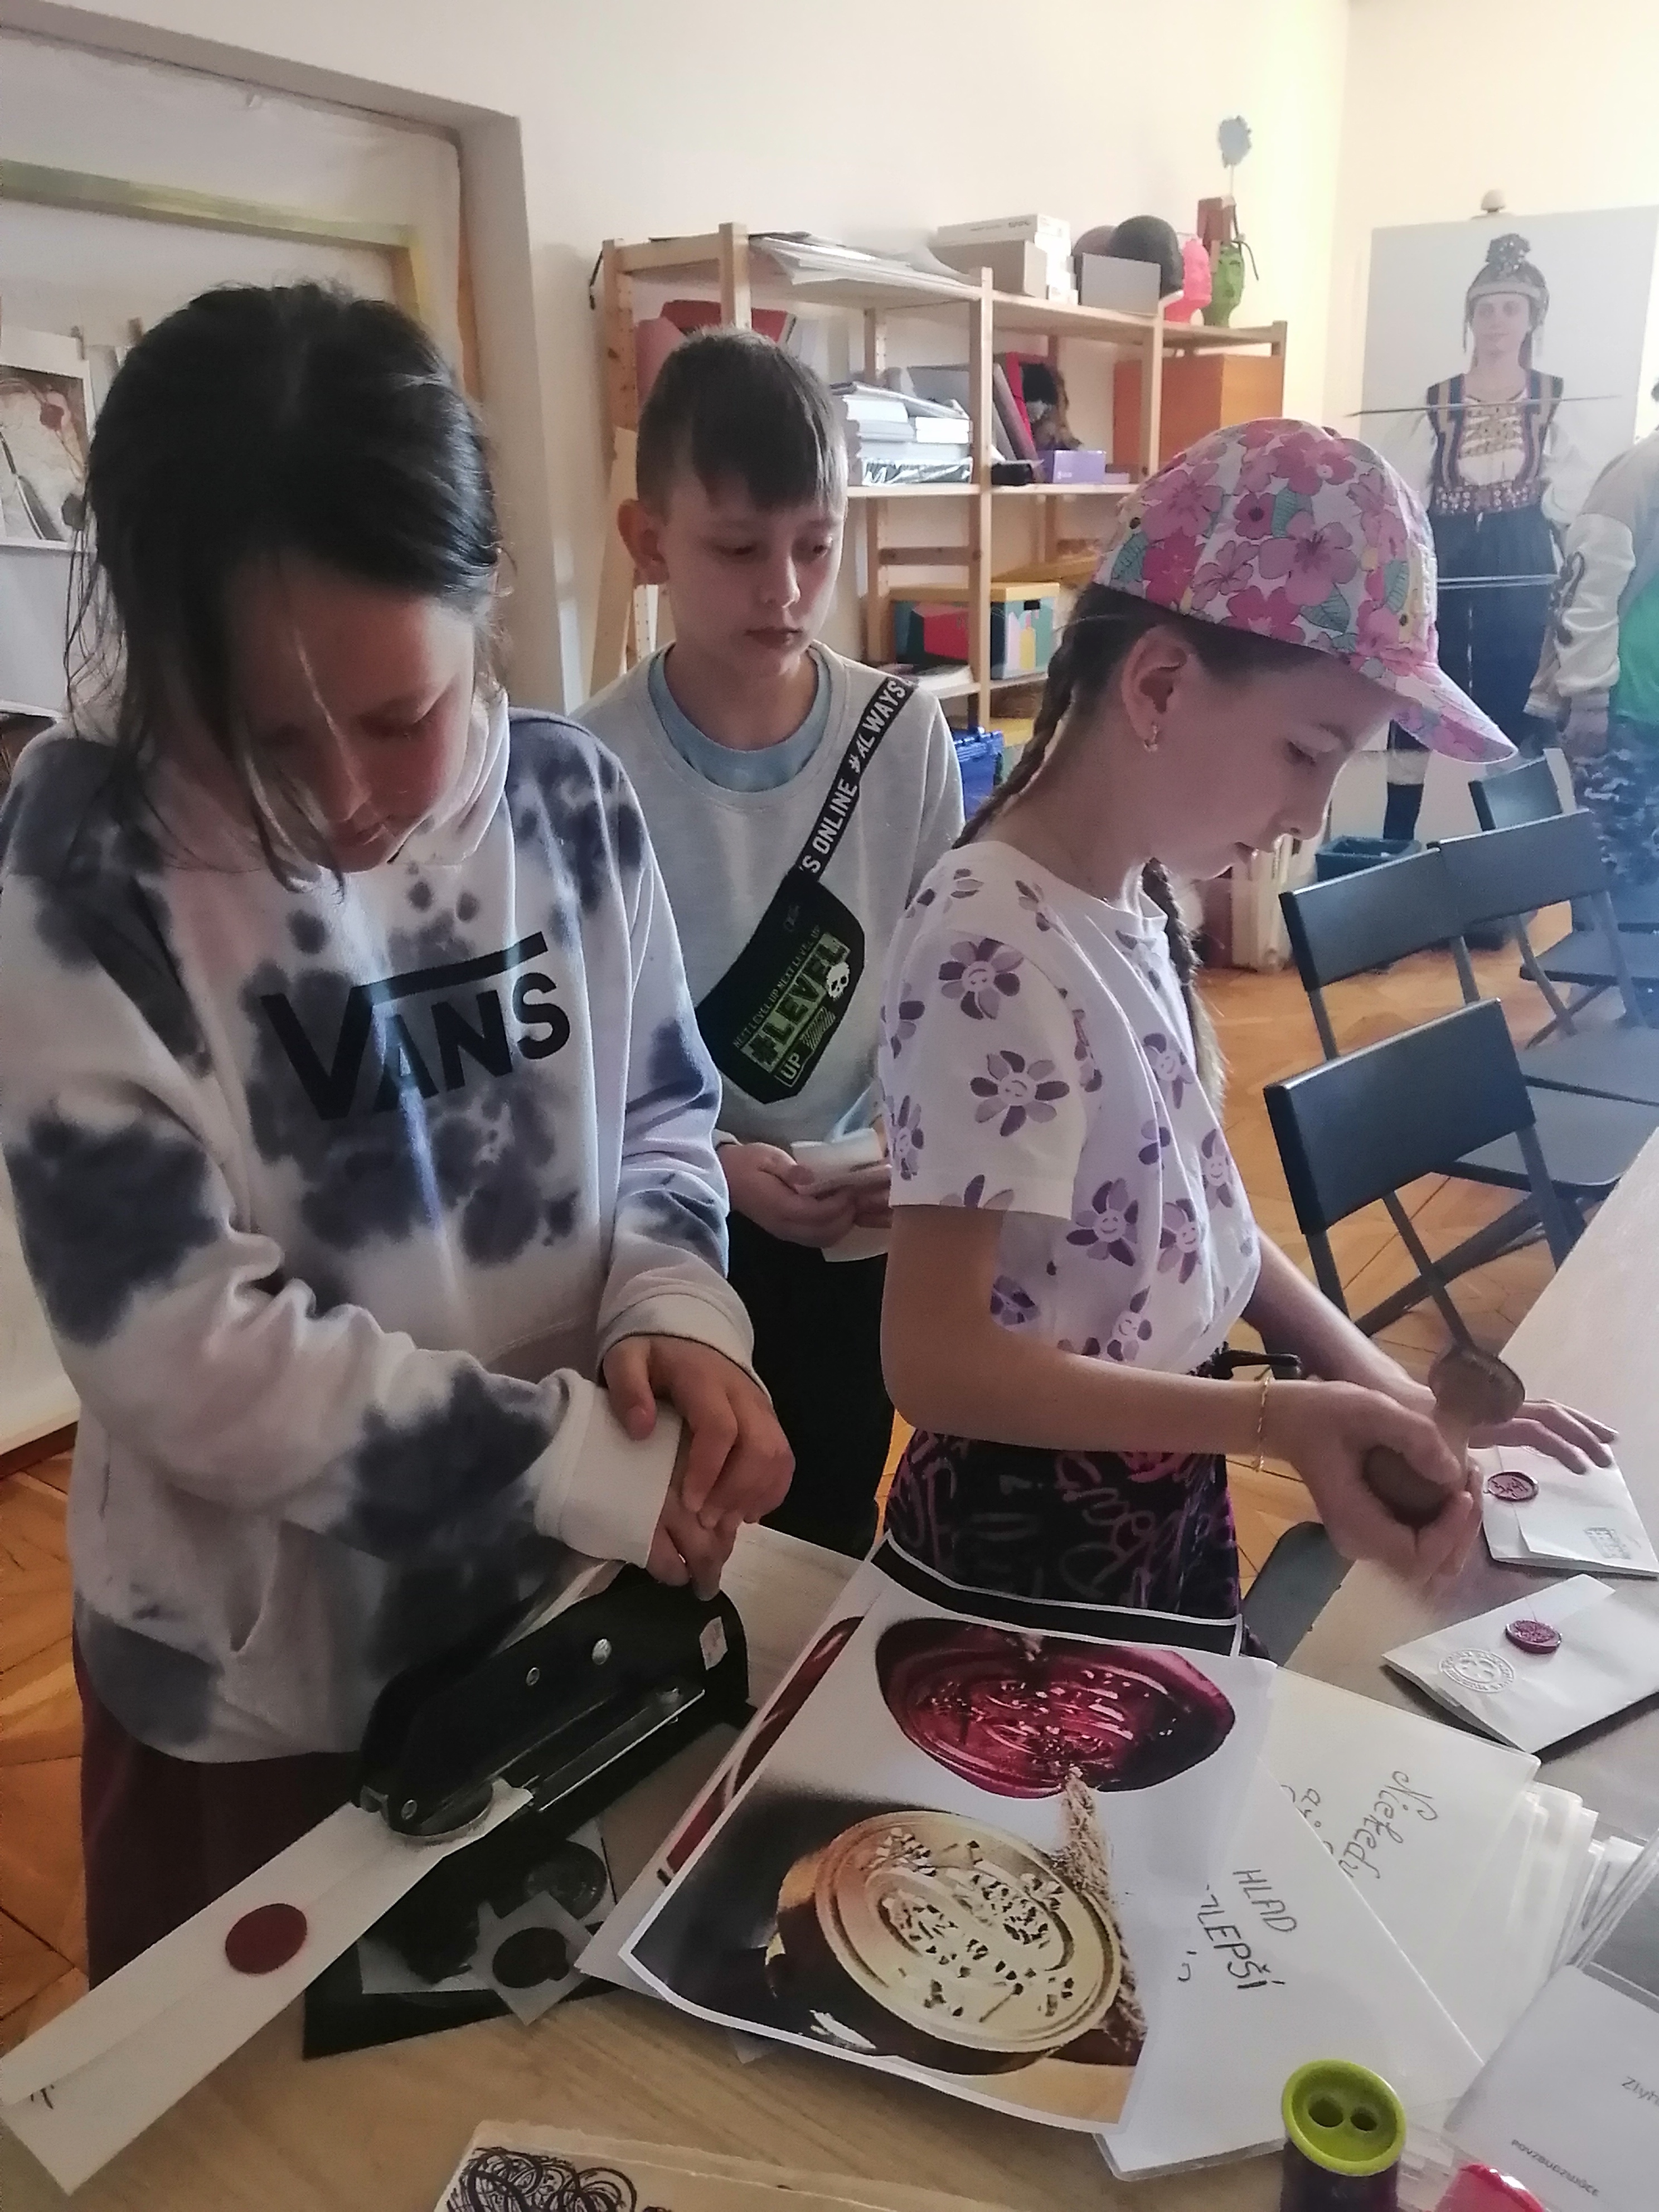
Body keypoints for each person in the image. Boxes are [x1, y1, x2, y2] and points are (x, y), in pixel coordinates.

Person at [0, 283, 790, 1981]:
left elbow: (663, 1113)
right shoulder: (88, 867)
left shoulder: (569, 800)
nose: (342, 799)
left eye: (395, 719)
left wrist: (672, 1307)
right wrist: (570, 1462)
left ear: (485, 601)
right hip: (256, 1687)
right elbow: (183, 1351)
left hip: (552, 1613)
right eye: (260, 735)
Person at [877, 418, 1613, 1613]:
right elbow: (934, 1358)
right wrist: (1273, 1417)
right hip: (1032, 1538)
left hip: (1169, 1472)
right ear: (1160, 685)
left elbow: (1193, 1215)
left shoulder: (1136, 894)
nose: (1311, 817)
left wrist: (1378, 1387)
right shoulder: (991, 944)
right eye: (1307, 752)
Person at [584, 331, 963, 1558]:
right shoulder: (587, 769)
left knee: (833, 1508)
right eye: (740, 550)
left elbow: (942, 992)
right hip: (675, 1224)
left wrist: (906, 1142)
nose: (787, 590)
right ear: (650, 542)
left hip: (860, 1222)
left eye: (816, 544)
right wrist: (717, 1161)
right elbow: (586, 1062)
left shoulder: (902, 732)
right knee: (689, 1529)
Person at [1382, 232, 1588, 841]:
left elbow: (1572, 499)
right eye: (1486, 309)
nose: (1497, 322)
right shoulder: (1439, 402)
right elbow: (1405, 491)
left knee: (1512, 683)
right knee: (1422, 677)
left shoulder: (1551, 398)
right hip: (1446, 548)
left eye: (1511, 308)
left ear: (1531, 319)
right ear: (1470, 318)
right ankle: (1393, 843)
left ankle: (1513, 846)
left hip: (1519, 548)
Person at [1530, 402, 1659, 885]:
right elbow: (1586, 589)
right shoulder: (1642, 471)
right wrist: (1588, 697)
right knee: (1616, 879)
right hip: (1628, 714)